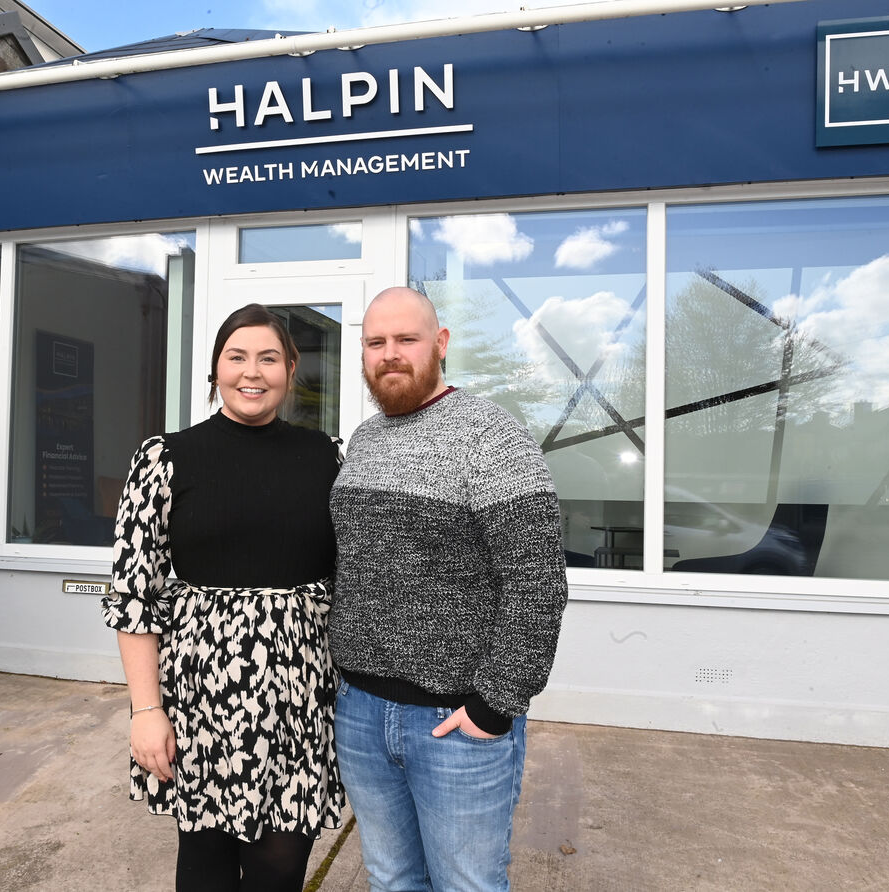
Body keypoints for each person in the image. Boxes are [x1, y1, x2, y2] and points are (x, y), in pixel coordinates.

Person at [329, 286, 569, 892]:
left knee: (467, 884)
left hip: (454, 723)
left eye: (406, 339)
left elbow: (537, 579)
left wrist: (495, 704)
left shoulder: (492, 435)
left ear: (439, 344)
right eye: (375, 342)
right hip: (360, 712)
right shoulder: (363, 441)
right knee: (391, 879)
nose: (389, 353)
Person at [101, 304, 343, 891]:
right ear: (215, 369)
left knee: (280, 866)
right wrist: (146, 711)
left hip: (298, 698)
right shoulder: (165, 458)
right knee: (205, 863)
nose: (251, 372)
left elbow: (357, 577)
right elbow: (134, 596)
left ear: (290, 370)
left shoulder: (328, 458)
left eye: (268, 358)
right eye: (237, 357)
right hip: (201, 698)